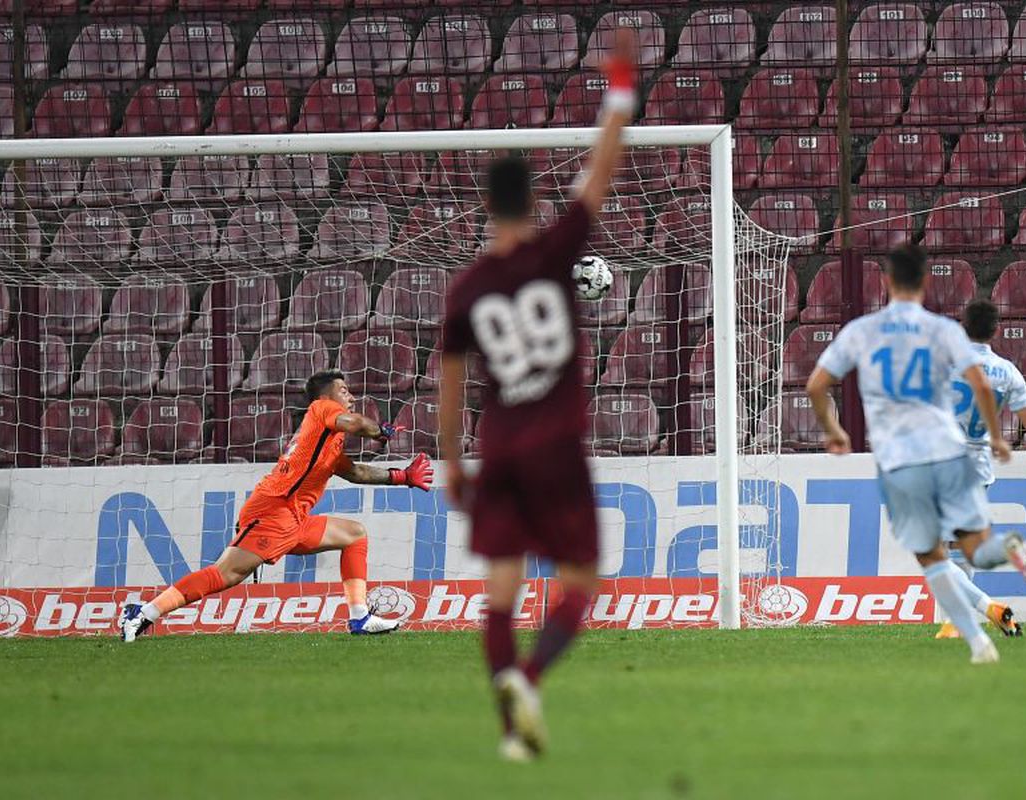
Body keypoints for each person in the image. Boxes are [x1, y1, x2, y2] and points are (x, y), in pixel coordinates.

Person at [437, 31, 638, 762]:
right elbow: (600, 175)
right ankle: (528, 678)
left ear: (486, 207)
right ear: (533, 201)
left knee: (499, 589)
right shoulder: (557, 253)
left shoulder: (465, 290)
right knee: (581, 578)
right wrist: (618, 88)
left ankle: (510, 727)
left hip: (497, 448)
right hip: (557, 444)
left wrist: (451, 463)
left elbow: (452, 382)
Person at [806, 244, 1026, 665]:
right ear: (923, 283)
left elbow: (815, 386)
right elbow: (978, 381)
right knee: (975, 550)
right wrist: (996, 436)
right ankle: (1010, 546)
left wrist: (835, 432)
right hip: (952, 453)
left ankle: (979, 644)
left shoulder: (862, 330)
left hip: (902, 459)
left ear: (886, 281)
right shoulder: (944, 331)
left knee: (931, 555)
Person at [119, 369, 434, 641]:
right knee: (225, 574)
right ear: (327, 396)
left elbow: (355, 472)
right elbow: (355, 424)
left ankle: (360, 617)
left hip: (294, 518)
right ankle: (143, 612)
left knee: (354, 534)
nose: (350, 396)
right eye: (344, 390)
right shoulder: (321, 409)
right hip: (272, 510)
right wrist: (382, 431)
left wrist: (402, 476)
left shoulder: (326, 439)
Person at [934, 298, 1026, 640]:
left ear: (961, 326)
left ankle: (986, 609)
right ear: (995, 331)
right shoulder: (1007, 372)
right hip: (978, 467)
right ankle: (957, 623)